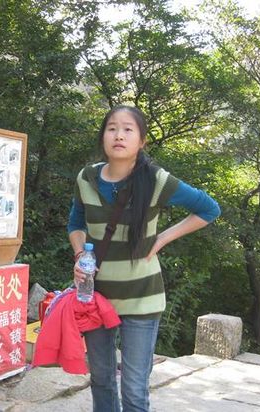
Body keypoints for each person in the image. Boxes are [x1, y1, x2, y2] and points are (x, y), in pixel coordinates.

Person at [67, 105, 221, 412]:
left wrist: (161, 238)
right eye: (112, 128)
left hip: (142, 299)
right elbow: (76, 223)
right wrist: (81, 254)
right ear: (103, 136)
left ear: (142, 140)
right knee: (101, 379)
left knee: (134, 389)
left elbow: (209, 209)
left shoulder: (155, 180)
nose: (119, 135)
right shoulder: (87, 178)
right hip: (96, 296)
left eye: (128, 129)